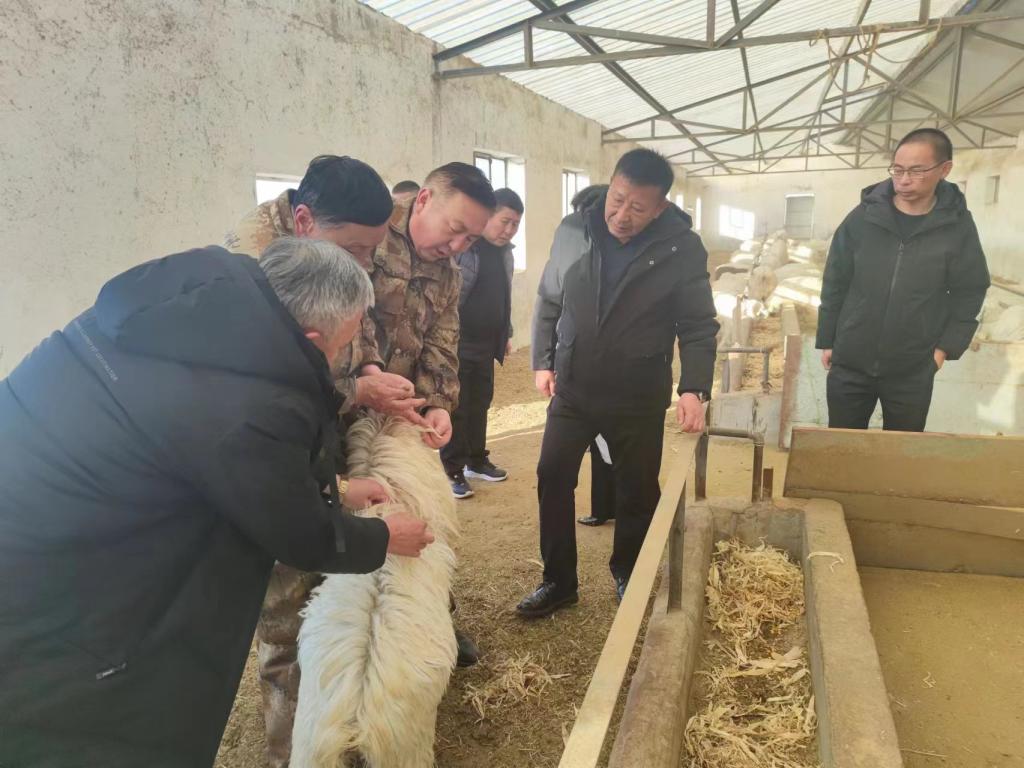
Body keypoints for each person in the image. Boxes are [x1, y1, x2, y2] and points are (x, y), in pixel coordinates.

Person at [0, 238, 434, 768]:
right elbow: (298, 532)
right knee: (99, 718)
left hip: (37, 501)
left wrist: (337, 489)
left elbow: (211, 459)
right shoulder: (250, 405)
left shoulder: (195, 310)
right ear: (311, 336)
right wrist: (385, 536)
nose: (336, 362)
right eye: (340, 348)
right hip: (60, 590)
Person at [518, 148, 718, 618]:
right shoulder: (574, 229)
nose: (622, 215)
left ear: (660, 207)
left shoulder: (681, 248)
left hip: (637, 392)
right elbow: (549, 297)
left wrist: (694, 388)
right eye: (617, 199)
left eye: (637, 207)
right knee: (552, 475)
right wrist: (543, 360)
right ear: (610, 185)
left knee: (637, 488)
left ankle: (629, 570)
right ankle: (558, 580)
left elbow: (697, 324)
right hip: (575, 385)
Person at [226, 155, 425, 424]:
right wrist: (357, 392)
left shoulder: (332, 235)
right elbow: (271, 393)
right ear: (304, 221)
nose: (365, 264)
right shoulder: (258, 274)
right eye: (354, 250)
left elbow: (351, 304)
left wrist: (371, 368)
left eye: (372, 250)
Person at [817, 128, 990, 432]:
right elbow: (836, 279)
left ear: (944, 169)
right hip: (851, 360)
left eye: (916, 171)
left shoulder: (957, 226)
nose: (904, 180)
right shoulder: (863, 217)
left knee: (902, 450)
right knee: (843, 446)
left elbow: (970, 290)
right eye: (897, 170)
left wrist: (943, 350)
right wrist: (828, 339)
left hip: (912, 368)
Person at [442, 187, 523, 499]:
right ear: (488, 216)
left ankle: (476, 460)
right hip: (458, 343)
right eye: (505, 221)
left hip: (487, 344)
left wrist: (506, 333)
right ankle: (452, 469)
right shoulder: (465, 248)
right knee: (458, 407)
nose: (509, 230)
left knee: (480, 403)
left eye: (515, 224)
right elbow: (449, 298)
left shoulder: (505, 253)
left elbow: (504, 296)